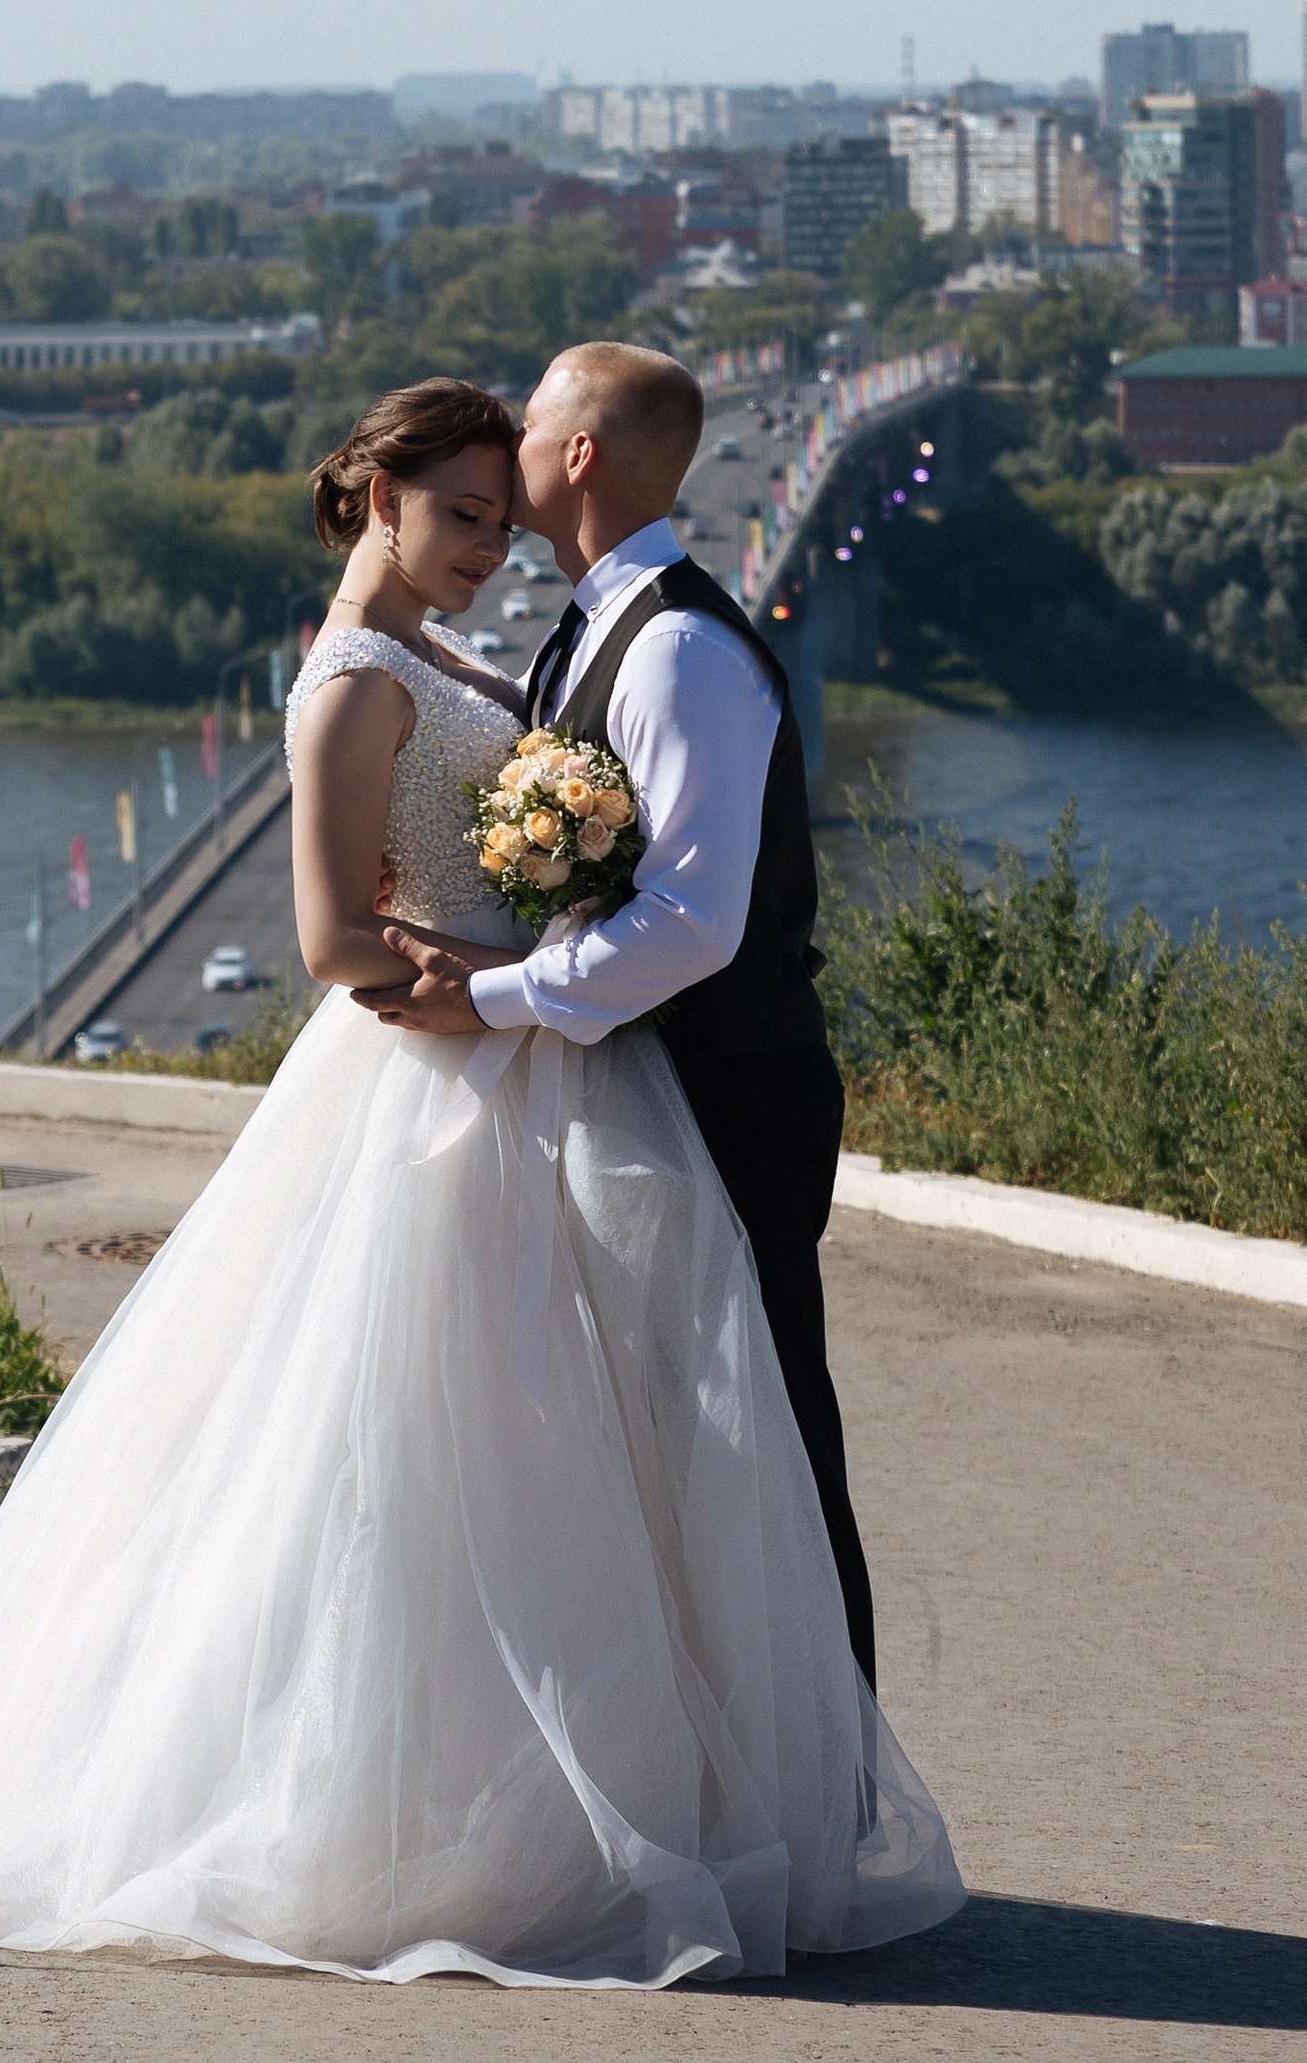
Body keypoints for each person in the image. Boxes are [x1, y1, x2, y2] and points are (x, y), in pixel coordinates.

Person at [0, 376, 960, 1989]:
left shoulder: (498, 651)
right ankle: (421, 1821)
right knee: (408, 1443)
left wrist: (508, 976)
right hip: (436, 1081)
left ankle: (628, 1806)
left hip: (530, 1062)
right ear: (378, 499)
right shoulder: (355, 679)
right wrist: (479, 982)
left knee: (558, 1453)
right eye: (459, 514)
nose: (487, 543)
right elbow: (332, 938)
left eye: (498, 515)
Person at [362, 336, 876, 1679]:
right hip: (643, 1090)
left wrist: (495, 997)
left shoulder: (680, 651)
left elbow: (695, 922)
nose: (511, 439)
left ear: (579, 454)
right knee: (656, 1443)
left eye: (531, 421)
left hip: (731, 1089)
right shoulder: (593, 628)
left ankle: (821, 1759)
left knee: (763, 1432)